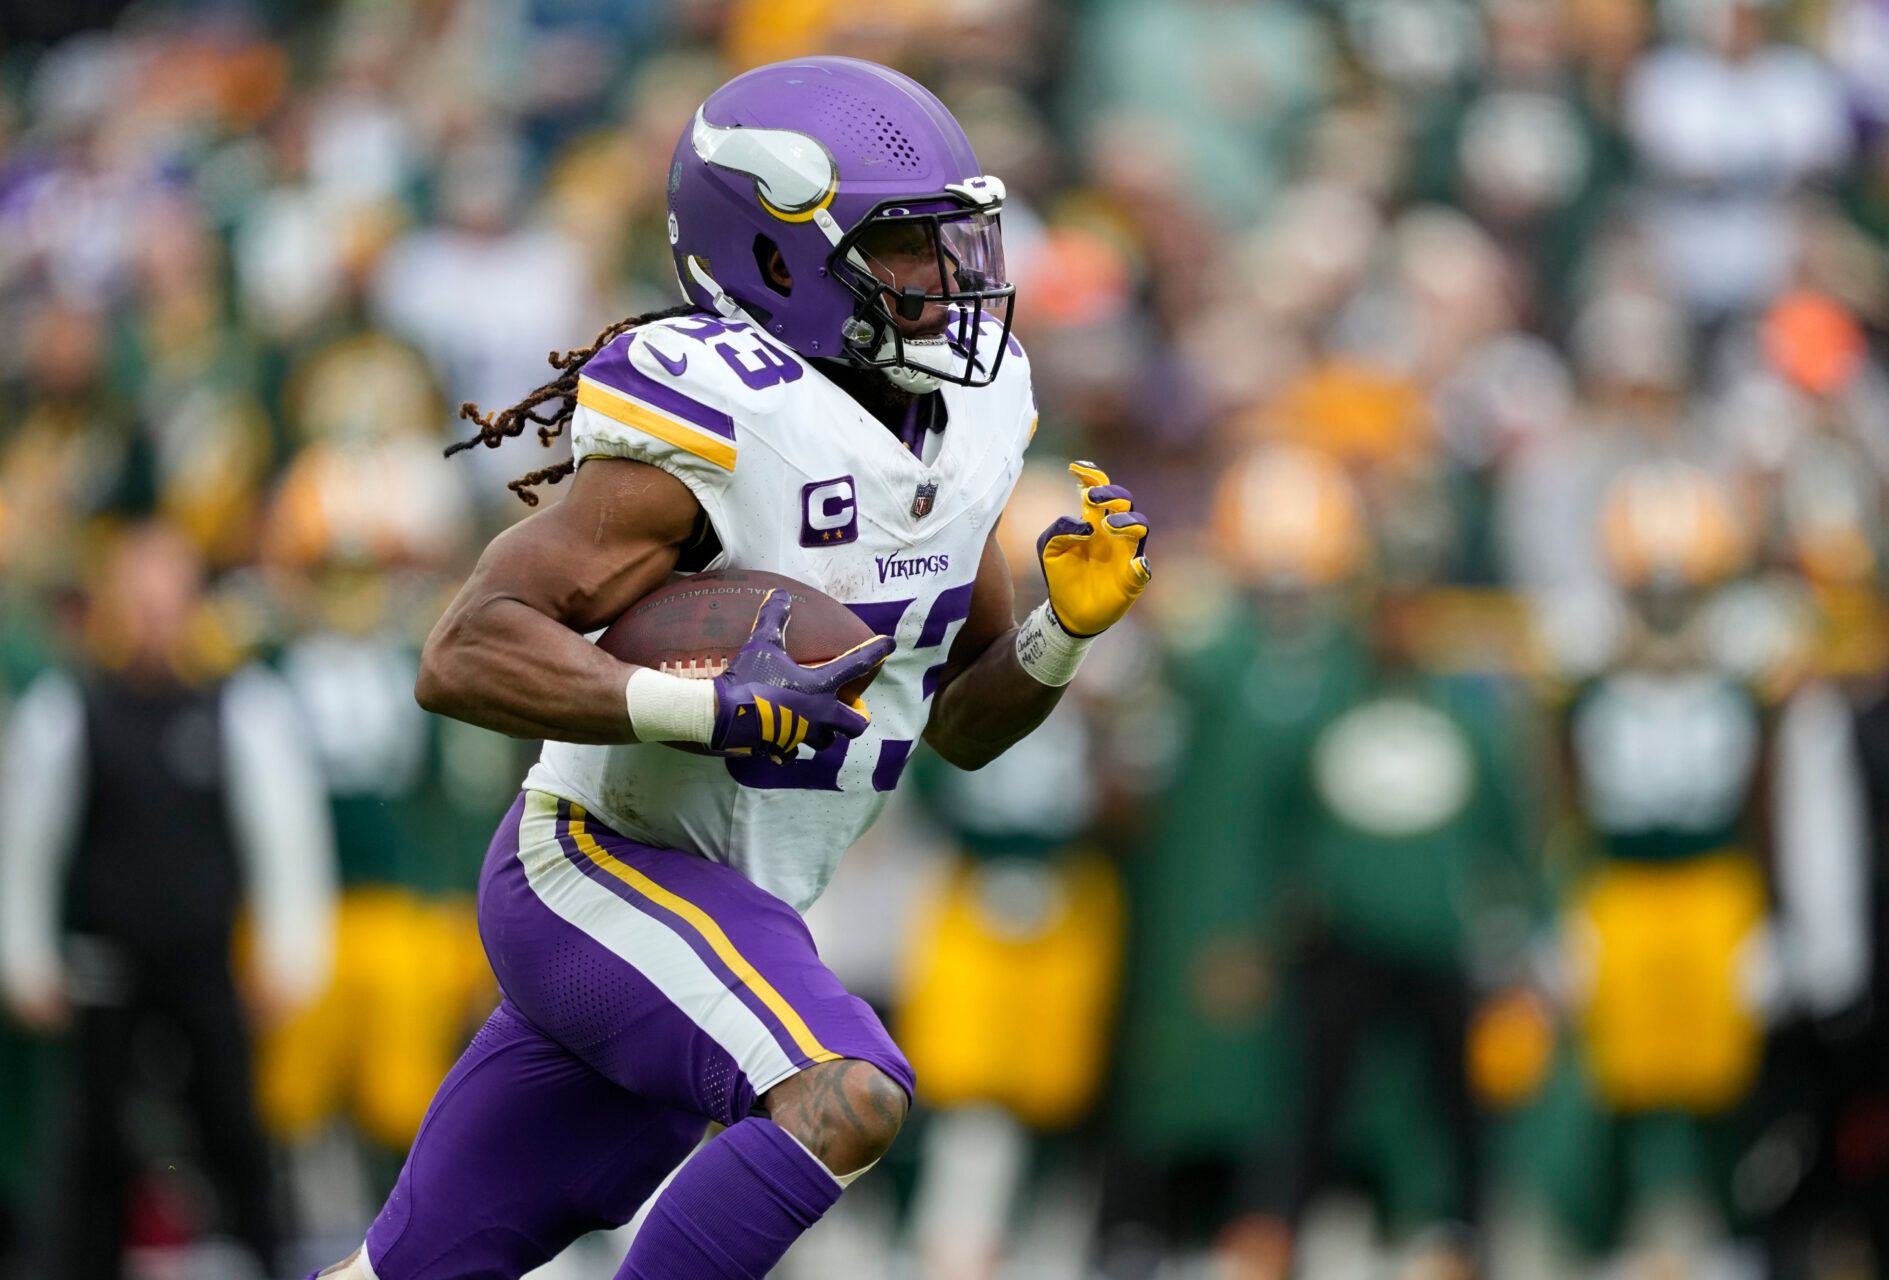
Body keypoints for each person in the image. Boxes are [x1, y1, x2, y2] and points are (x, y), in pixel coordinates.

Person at [319, 55, 1153, 1280]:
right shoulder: (726, 413)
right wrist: (699, 706)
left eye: (956, 242)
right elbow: (463, 649)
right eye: (911, 247)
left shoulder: (968, 426)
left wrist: (1058, 633)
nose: (953, 279)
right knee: (846, 1090)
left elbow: (960, 726)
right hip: (601, 870)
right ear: (776, 259)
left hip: (737, 907)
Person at [0, 522, 337, 1280]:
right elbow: (27, 844)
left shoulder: (241, 707)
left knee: (238, 1139)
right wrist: (25, 958)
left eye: (169, 596)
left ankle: (275, 1265)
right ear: (116, 603)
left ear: (194, 604)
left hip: (206, 967)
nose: (154, 613)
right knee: (91, 1149)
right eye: (139, 596)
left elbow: (286, 841)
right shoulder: (69, 709)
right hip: (103, 969)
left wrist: (291, 956)